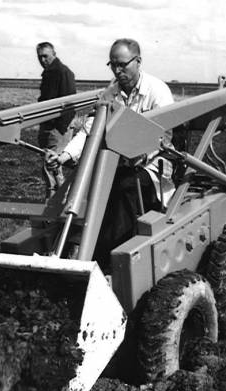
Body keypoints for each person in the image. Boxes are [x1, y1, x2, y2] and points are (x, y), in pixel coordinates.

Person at [45, 38, 174, 263]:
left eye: (122, 64)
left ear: (138, 61)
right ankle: (68, 248)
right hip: (117, 163)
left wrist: (136, 154)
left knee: (123, 188)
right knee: (83, 182)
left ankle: (111, 260)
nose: (117, 70)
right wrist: (64, 155)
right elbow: (89, 131)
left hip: (152, 166)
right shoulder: (110, 93)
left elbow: (164, 137)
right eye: (113, 65)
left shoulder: (157, 92)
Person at [36, 42, 77, 152]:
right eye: (40, 57)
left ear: (54, 54)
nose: (42, 60)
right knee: (46, 159)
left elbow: (71, 102)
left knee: (52, 161)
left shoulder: (63, 72)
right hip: (47, 124)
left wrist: (60, 129)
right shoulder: (48, 73)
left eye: (45, 56)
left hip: (58, 127)